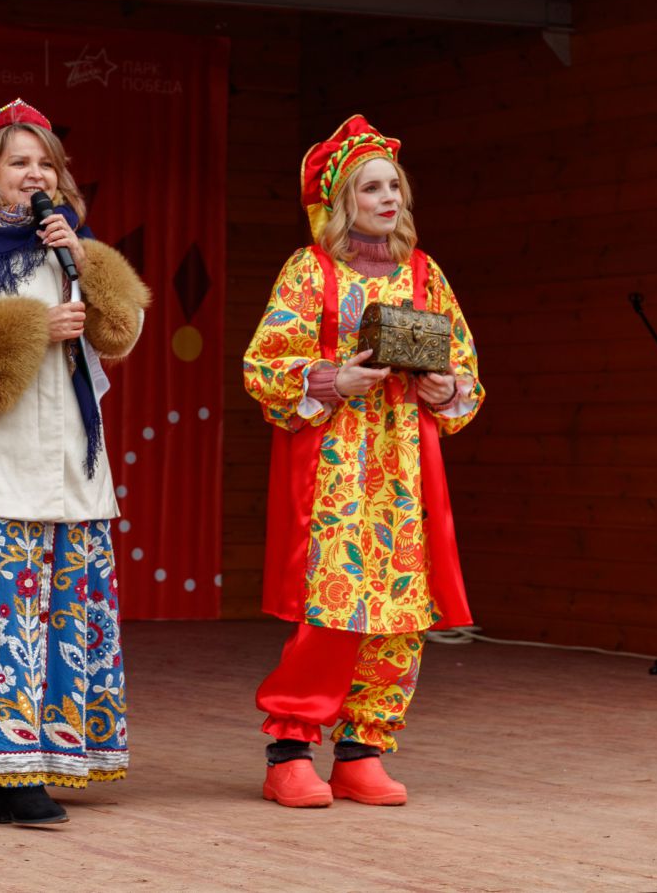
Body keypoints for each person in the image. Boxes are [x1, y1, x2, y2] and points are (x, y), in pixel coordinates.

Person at [0, 99, 150, 826]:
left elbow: (122, 334)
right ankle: (1, 770)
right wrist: (35, 326)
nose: (34, 173)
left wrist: (85, 260)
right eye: (19, 162)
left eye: (46, 162)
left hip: (67, 453)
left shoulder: (72, 243)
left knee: (61, 602)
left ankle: (50, 751)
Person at [242, 115, 484, 808]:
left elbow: (465, 369)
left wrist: (445, 389)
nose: (388, 198)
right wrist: (332, 379)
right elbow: (264, 365)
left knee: (402, 608)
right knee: (334, 605)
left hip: (406, 465)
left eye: (394, 187)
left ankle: (362, 751)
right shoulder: (309, 270)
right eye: (372, 187)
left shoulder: (425, 273)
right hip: (336, 465)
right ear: (341, 200)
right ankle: (291, 751)